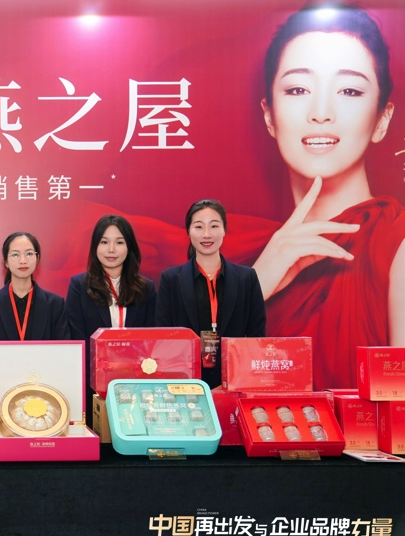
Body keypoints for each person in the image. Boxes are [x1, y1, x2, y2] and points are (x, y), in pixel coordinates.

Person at [251, 3, 405, 389]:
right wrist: (255, 284)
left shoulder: (395, 243)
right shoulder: (245, 251)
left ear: (382, 119)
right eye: (298, 89)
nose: (321, 113)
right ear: (269, 116)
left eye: (349, 90)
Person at [156, 200, 266, 388]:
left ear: (224, 230)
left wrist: (236, 380)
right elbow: (163, 336)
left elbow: (257, 335)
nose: (207, 234)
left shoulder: (246, 278)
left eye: (214, 226)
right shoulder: (171, 279)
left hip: (235, 382)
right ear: (188, 231)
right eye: (199, 227)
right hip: (185, 381)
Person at [66, 214, 157, 342]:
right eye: (104, 242)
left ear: (129, 247)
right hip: (92, 355)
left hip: (136, 355)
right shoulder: (79, 286)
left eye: (119, 242)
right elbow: (77, 336)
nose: (111, 249)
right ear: (95, 246)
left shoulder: (145, 287)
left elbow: (151, 336)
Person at [0, 232, 69, 342]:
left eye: (29, 254)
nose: (23, 261)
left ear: (37, 258)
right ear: (5, 261)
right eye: (15, 255)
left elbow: (63, 348)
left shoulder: (55, 304)